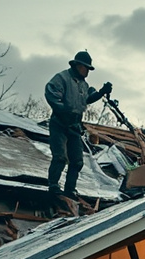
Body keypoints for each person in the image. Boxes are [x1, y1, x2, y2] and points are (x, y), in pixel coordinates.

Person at [45, 50, 113, 197]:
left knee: (77, 161)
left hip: (75, 126)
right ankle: (53, 185)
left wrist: (102, 92)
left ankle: (70, 189)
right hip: (60, 124)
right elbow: (51, 94)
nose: (87, 71)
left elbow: (88, 98)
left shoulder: (83, 84)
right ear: (77, 65)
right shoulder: (62, 78)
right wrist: (63, 110)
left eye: (89, 69)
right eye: (86, 68)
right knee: (60, 157)